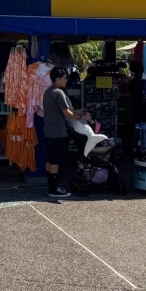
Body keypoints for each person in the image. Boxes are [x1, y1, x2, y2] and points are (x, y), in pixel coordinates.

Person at [43, 66, 89, 199]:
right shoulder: (59, 92)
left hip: (49, 130)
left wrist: (77, 111)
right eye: (64, 78)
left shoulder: (48, 92)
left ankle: (51, 186)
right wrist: (82, 117)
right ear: (57, 79)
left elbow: (61, 111)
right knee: (56, 161)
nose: (66, 80)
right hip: (58, 131)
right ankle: (53, 189)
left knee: (51, 160)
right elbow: (67, 113)